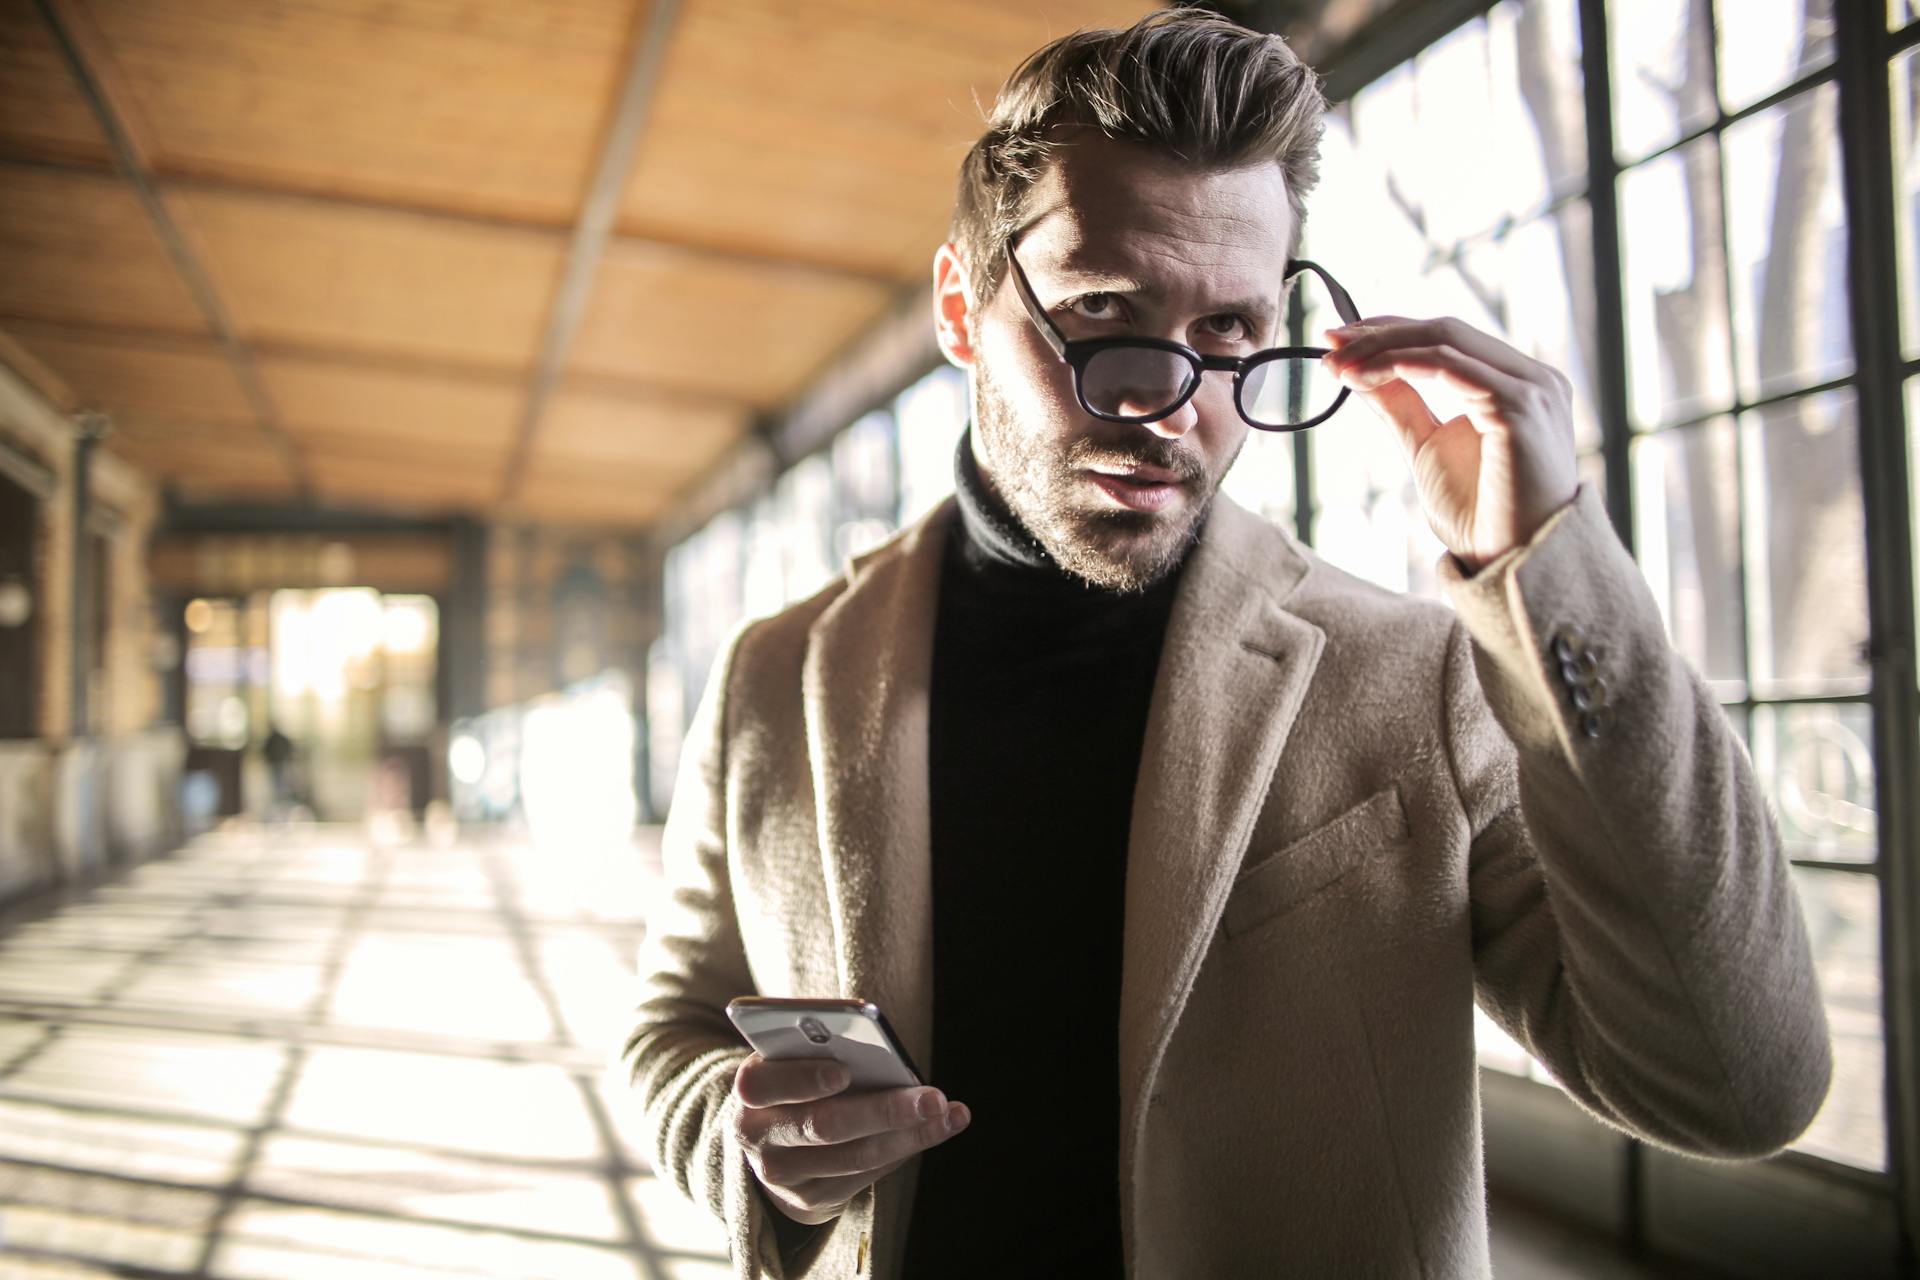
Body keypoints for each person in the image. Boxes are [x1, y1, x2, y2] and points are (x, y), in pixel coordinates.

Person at [621, 11, 1832, 1278]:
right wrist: (744, 1140)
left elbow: (1738, 1084)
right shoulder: (775, 674)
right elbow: (674, 1026)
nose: (1170, 405)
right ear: (962, 308)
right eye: (1104, 311)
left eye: (1229, 334)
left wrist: (1553, 568)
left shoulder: (1411, 678)